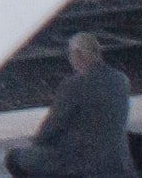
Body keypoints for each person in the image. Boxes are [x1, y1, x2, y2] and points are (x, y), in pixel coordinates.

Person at [7, 34, 131, 177]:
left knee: (14, 157)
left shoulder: (74, 85)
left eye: (71, 54)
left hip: (78, 163)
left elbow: (52, 126)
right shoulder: (121, 80)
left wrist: (38, 142)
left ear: (78, 55)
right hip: (117, 162)